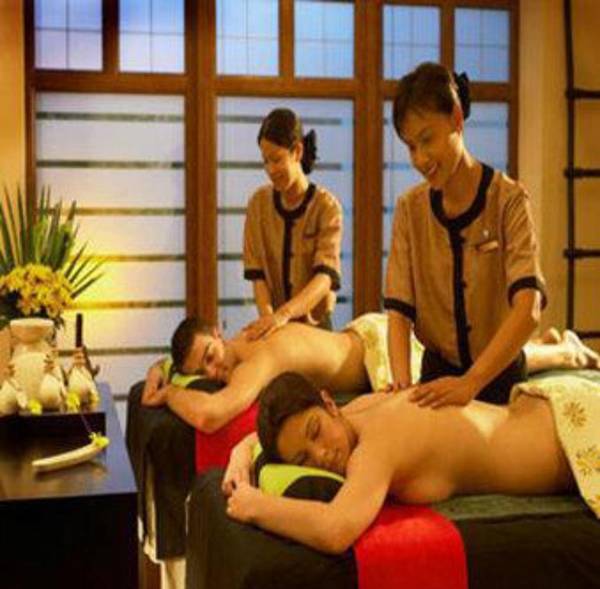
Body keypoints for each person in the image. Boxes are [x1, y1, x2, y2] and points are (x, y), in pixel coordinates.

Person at [224, 371, 599, 554]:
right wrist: (241, 450)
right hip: (549, 408)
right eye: (304, 459)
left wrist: (256, 506)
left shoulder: (376, 446)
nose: (321, 454)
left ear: (329, 403)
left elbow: (335, 530)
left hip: (571, 436)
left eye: (316, 431)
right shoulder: (359, 411)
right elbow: (274, 437)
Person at [384, 62, 547, 406]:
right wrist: (401, 386)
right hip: (436, 376)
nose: (420, 158)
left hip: (500, 377)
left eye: (427, 139)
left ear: (456, 119)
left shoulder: (509, 199)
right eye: (411, 146)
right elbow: (398, 312)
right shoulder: (409, 209)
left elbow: (528, 308)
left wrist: (471, 383)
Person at [141, 313, 599, 433]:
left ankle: (567, 355)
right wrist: (158, 370)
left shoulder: (258, 359)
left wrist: (167, 396)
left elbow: (211, 415)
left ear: (217, 333)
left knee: (473, 377)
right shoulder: (244, 340)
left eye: (211, 355)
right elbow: (176, 364)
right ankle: (551, 345)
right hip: (362, 335)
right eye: (203, 370)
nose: (215, 369)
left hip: (374, 354)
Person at [243, 108, 343, 340]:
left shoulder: (327, 207)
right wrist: (269, 321)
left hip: (316, 330)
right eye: (265, 161)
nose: (270, 170)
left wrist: (284, 314)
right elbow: (258, 275)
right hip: (276, 327)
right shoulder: (258, 204)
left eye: (277, 159)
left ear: (297, 151)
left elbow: (325, 278)